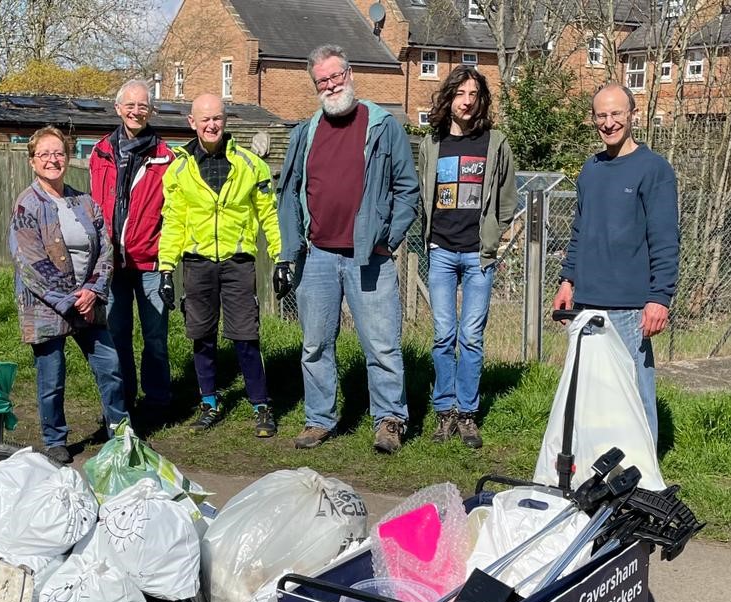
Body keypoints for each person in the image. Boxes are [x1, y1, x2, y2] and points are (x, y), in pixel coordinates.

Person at [277, 44, 419, 454]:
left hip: (368, 257)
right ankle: (319, 418)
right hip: (317, 255)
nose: (331, 85)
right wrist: (291, 250)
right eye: (322, 80)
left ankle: (390, 420)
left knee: (381, 343)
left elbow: (407, 189)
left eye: (336, 76)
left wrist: (386, 240)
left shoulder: (382, 125)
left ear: (350, 72)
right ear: (315, 86)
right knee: (315, 344)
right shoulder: (305, 132)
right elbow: (288, 194)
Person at [553, 82, 679, 445]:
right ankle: (598, 464)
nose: (609, 123)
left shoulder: (654, 169)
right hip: (587, 303)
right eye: (601, 115)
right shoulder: (590, 170)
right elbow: (579, 231)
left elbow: (665, 240)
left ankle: (644, 474)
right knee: (591, 395)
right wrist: (567, 281)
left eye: (616, 114)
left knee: (635, 393)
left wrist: (660, 298)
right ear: (593, 119)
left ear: (632, 115)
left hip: (630, 308)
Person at [156, 93, 286, 438]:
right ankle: (209, 402)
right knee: (202, 337)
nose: (212, 125)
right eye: (205, 119)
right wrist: (166, 268)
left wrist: (280, 257)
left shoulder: (249, 164)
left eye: (217, 118)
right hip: (197, 263)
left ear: (225, 120)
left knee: (246, 336)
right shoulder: (179, 169)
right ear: (192, 123)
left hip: (238, 262)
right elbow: (172, 221)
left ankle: (261, 405)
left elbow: (269, 215)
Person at [8, 126, 127, 464]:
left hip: (89, 302)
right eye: (44, 154)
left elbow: (105, 248)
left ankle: (119, 429)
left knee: (110, 366)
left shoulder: (84, 201)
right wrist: (70, 300)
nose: (53, 160)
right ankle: (55, 438)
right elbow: (30, 263)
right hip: (46, 307)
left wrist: (93, 291)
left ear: (68, 157)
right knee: (52, 377)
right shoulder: (26, 205)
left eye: (58, 153)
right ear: (32, 161)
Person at [418, 65, 517, 449]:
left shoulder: (495, 142)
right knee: (444, 336)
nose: (467, 101)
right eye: (460, 93)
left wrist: (493, 232)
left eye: (474, 94)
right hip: (441, 251)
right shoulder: (432, 143)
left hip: (479, 256)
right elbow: (423, 194)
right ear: (449, 98)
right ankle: (444, 412)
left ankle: (467, 414)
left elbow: (507, 198)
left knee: (471, 338)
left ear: (481, 100)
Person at [89, 79, 175, 430]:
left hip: (150, 261)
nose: (136, 111)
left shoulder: (166, 156)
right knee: (116, 334)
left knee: (155, 336)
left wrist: (167, 257)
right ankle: (121, 401)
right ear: (118, 108)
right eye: (131, 105)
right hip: (111, 263)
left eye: (143, 106)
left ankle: (158, 400)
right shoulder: (100, 152)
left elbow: (174, 212)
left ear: (150, 111)